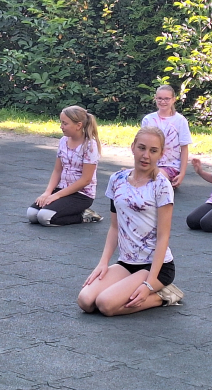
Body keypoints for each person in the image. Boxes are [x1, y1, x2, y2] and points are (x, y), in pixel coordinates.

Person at [77, 127, 184, 316]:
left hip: (156, 267)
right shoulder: (117, 179)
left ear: (161, 154)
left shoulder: (161, 185)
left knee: (106, 304)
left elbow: (163, 237)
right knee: (85, 301)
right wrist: (103, 263)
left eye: (153, 151)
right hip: (127, 262)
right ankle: (132, 289)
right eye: (142, 148)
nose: (146, 155)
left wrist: (149, 284)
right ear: (133, 147)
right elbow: (114, 227)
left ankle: (164, 295)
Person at [28, 106, 103, 226]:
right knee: (32, 214)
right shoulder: (63, 141)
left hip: (81, 195)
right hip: (62, 189)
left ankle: (84, 216)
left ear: (78, 125)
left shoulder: (89, 145)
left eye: (65, 123)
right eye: (61, 122)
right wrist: (48, 192)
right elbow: (57, 170)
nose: (61, 126)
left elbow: (86, 179)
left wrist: (56, 196)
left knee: (44, 217)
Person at [140, 85, 192, 187]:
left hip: (170, 166)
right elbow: (141, 145)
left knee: (153, 178)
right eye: (160, 98)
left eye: (167, 99)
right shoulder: (148, 119)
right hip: (148, 163)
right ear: (155, 98)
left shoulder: (180, 120)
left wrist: (182, 174)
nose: (163, 101)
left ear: (173, 100)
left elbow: (184, 148)